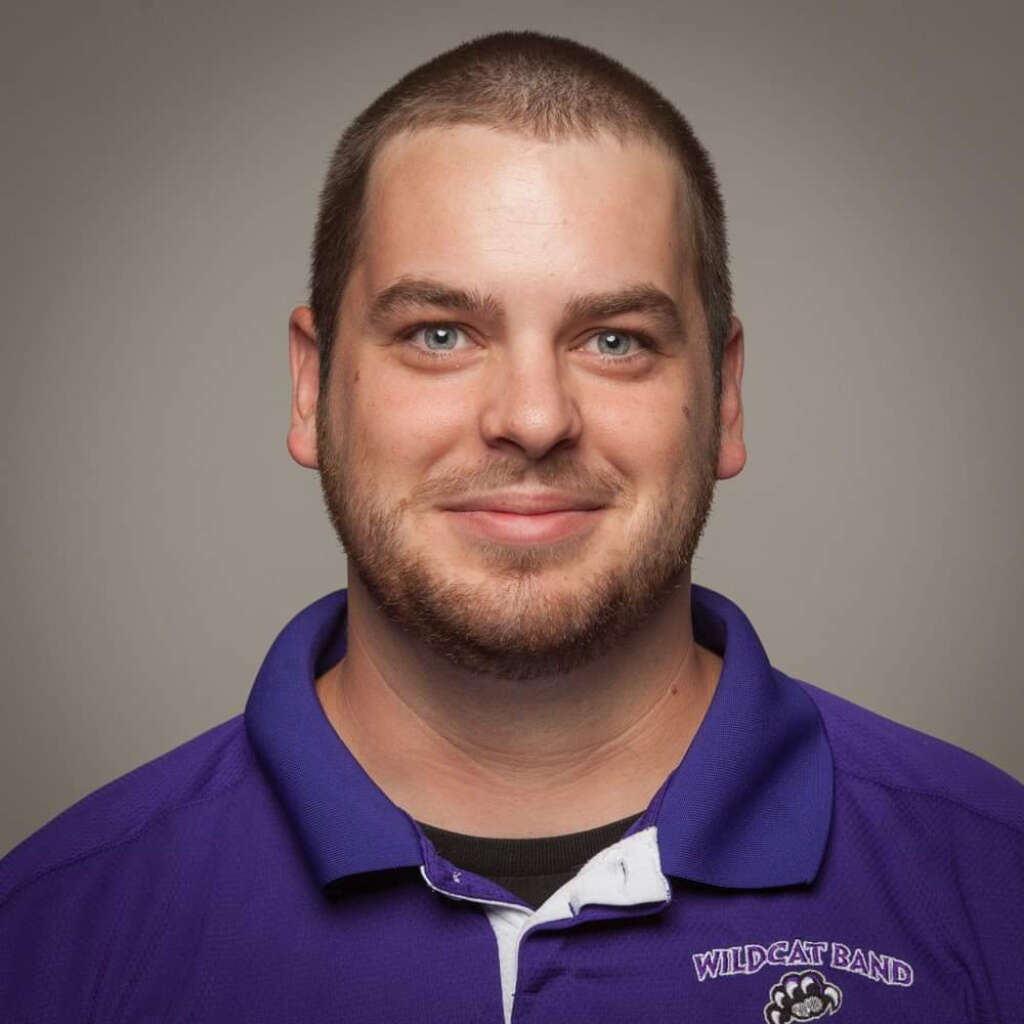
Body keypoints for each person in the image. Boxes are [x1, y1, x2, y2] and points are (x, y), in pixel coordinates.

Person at [1, 29, 1022, 1024]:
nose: (533, 419)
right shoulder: (49, 930)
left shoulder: (992, 879)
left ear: (724, 399)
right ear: (311, 389)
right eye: (440, 334)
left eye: (614, 340)